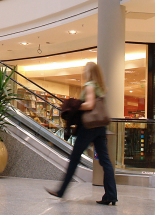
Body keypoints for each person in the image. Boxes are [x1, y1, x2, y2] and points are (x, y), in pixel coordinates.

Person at [47, 62, 117, 205]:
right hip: (100, 126)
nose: (83, 72)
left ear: (89, 72)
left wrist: (76, 105)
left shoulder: (90, 85)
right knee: (105, 161)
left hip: (88, 127)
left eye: (85, 70)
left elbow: (90, 104)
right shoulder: (100, 87)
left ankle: (61, 190)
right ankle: (111, 194)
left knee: (74, 158)